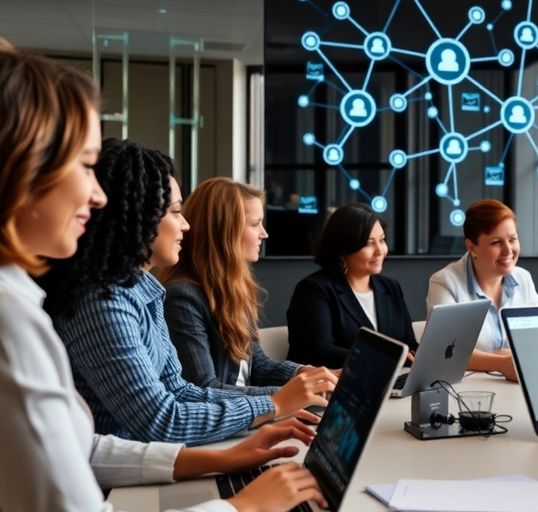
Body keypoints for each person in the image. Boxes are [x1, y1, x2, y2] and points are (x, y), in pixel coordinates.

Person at [0, 46, 324, 511]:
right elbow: (159, 417)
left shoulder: (137, 292)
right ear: (22, 168)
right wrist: (242, 505)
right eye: (83, 164)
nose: (96, 195)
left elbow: (86, 446)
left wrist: (225, 454)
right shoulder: (65, 308)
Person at [41, 138, 333, 445]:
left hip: (152, 461)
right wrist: (274, 405)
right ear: (138, 215)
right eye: (176, 212)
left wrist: (292, 396)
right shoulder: (103, 301)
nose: (186, 226)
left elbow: (179, 390)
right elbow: (160, 420)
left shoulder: (146, 290)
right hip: (120, 480)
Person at [160, 177, 338, 395]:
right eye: (255, 224)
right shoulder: (182, 297)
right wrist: (289, 396)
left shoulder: (233, 288)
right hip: (231, 425)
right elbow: (203, 389)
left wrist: (307, 373)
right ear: (225, 232)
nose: (264, 233)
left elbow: (258, 365)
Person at [287, 203, 418, 368]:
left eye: (382, 240)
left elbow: (409, 343)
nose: (380, 250)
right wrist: (389, 359)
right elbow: (320, 352)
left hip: (389, 382)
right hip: (334, 386)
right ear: (343, 248)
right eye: (369, 243)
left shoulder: (391, 288)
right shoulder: (314, 290)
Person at [426, 199, 538, 382]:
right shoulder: (445, 282)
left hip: (519, 386)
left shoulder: (523, 278)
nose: (508, 251)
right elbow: (448, 351)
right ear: (472, 247)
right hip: (468, 391)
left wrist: (501, 355)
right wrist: (502, 362)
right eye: (496, 243)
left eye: (512, 239)